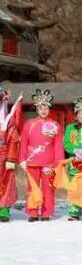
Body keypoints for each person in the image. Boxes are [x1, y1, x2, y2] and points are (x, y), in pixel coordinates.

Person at [19, 89, 64, 222]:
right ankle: (33, 212)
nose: (43, 110)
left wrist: (59, 162)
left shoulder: (55, 125)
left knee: (48, 188)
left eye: (46, 107)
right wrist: (22, 159)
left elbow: (58, 145)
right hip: (32, 161)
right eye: (40, 107)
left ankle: (46, 212)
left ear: (49, 109)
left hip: (49, 162)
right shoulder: (29, 124)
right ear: (36, 109)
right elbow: (24, 143)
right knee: (32, 187)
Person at [0, 88, 22, 222]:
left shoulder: (8, 120)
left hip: (4, 156)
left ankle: (3, 210)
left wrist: (11, 158)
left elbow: (14, 139)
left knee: (6, 182)